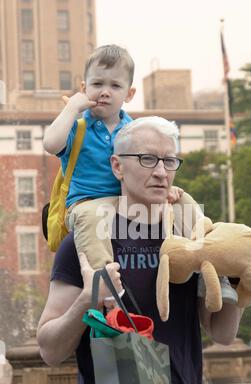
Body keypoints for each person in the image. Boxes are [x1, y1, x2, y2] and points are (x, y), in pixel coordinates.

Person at [37, 116, 244, 384]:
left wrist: (239, 284)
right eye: (147, 159)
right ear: (117, 166)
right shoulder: (88, 240)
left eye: (170, 160)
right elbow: (49, 350)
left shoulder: (191, 234)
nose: (161, 171)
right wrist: (88, 300)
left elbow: (222, 333)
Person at [43, 44, 184, 272]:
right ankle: (104, 281)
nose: (105, 91)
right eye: (97, 84)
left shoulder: (135, 129)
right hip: (86, 203)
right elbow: (50, 144)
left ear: (129, 94)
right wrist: (71, 109)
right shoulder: (77, 127)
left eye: (115, 85)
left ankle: (206, 268)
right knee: (92, 217)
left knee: (184, 203)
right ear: (84, 87)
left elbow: (154, 161)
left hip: (129, 202)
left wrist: (163, 188)